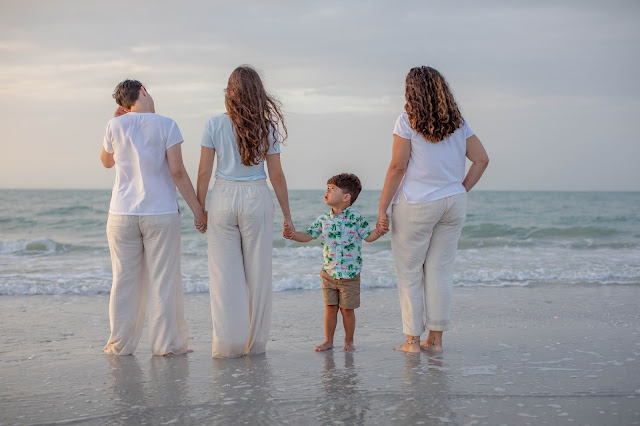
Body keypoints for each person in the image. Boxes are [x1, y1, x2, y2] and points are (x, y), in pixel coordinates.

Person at [376, 66, 489, 353]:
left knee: (410, 272)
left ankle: (412, 341)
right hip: (453, 203)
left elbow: (398, 167)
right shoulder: (458, 123)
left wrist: (382, 209)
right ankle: (435, 341)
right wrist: (460, 189)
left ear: (411, 91)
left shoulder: (406, 121)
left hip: (416, 204)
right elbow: (481, 160)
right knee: (440, 272)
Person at [101, 79, 206, 356]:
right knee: (163, 280)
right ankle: (166, 346)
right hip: (159, 213)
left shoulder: (114, 126)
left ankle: (119, 346)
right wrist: (198, 211)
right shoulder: (167, 124)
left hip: (121, 214)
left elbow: (106, 161)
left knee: (123, 281)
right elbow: (178, 172)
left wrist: (116, 123)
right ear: (144, 92)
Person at [197, 65, 293, 358]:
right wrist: (287, 216)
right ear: (258, 93)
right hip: (256, 197)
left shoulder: (214, 124)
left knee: (224, 275)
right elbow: (276, 175)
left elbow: (204, 172)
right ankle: (255, 345)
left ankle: (227, 345)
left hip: (223, 196)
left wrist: (199, 209)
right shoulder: (268, 127)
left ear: (230, 93)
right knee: (258, 274)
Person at [284, 173, 387, 352]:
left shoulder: (355, 218)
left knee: (347, 310)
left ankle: (348, 341)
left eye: (332, 189)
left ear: (346, 197)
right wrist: (292, 234)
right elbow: (308, 235)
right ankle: (328, 341)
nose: (327, 192)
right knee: (330, 308)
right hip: (329, 273)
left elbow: (368, 237)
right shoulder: (323, 220)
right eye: (327, 188)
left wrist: (379, 230)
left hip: (350, 274)